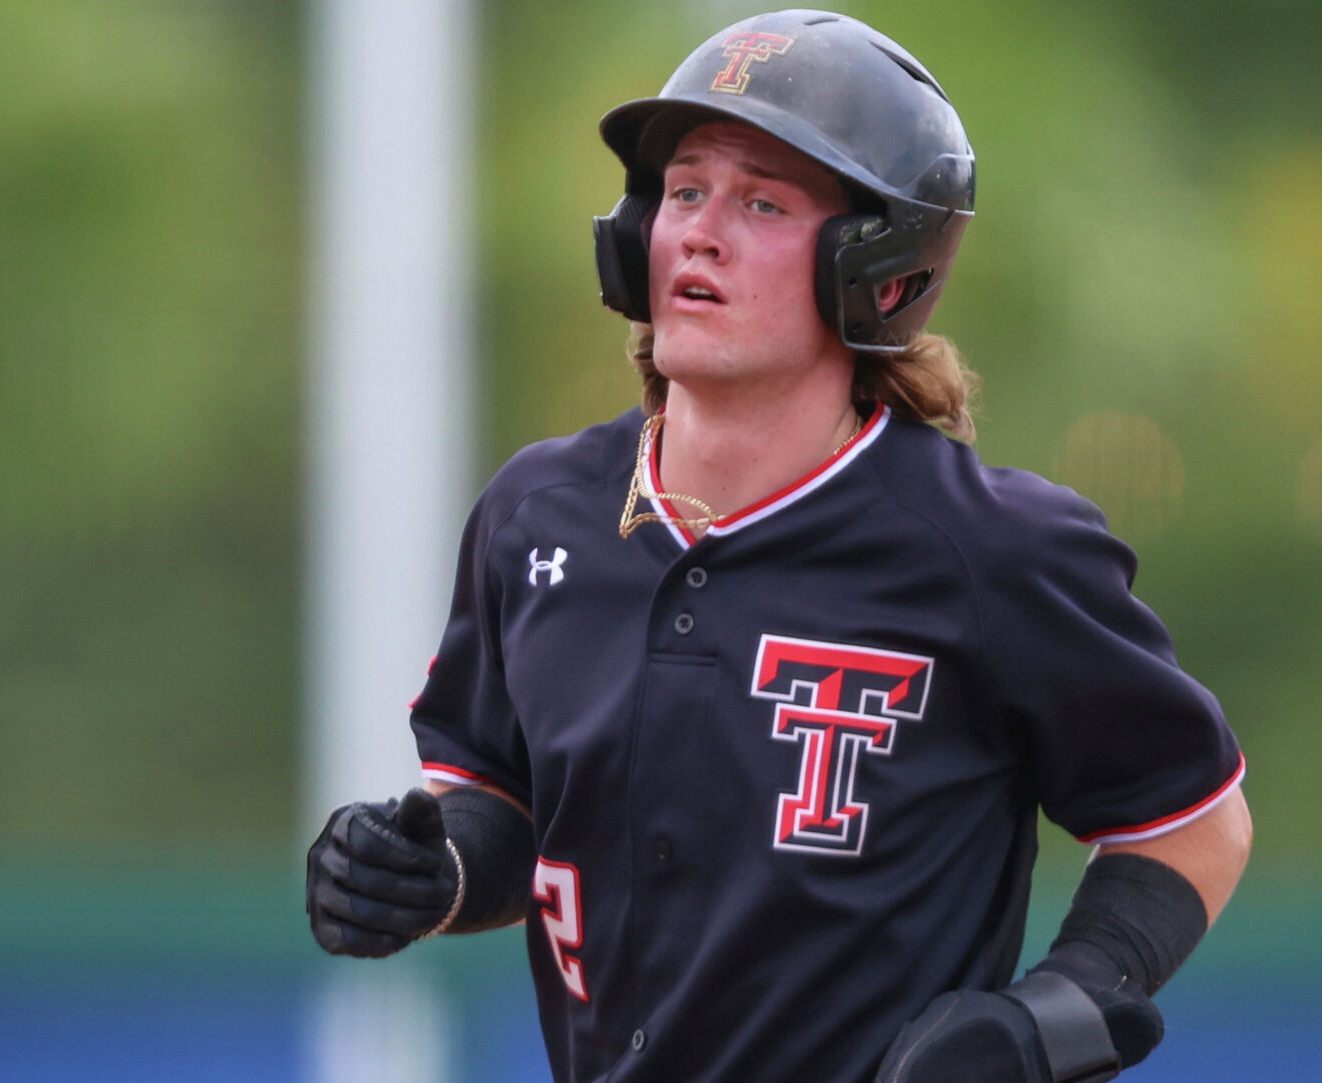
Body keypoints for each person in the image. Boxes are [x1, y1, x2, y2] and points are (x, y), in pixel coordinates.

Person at [307, 10, 1251, 1082]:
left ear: (877, 264)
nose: (699, 232)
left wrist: (1052, 1016)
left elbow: (1191, 823)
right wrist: (428, 873)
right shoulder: (542, 515)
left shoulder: (992, 551)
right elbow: (504, 806)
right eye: (683, 190)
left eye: (761, 200)